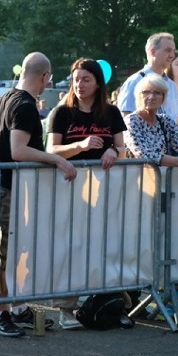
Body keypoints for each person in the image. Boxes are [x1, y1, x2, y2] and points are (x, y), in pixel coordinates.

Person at [0, 52, 76, 337]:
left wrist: (3, 162)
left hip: (12, 186)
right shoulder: (24, 105)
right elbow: (19, 150)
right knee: (5, 253)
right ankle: (0, 314)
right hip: (13, 190)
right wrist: (57, 159)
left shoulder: (8, 97)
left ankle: (18, 307)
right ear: (45, 77)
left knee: (16, 251)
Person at [46, 58, 127, 329]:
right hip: (70, 189)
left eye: (86, 80)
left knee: (106, 245)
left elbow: (122, 148)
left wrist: (112, 151)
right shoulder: (62, 112)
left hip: (106, 191)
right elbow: (51, 150)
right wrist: (79, 146)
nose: (79, 85)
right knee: (72, 246)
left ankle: (110, 303)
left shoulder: (111, 112)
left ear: (97, 83)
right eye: (76, 79)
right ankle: (66, 308)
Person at [124, 73, 178, 172]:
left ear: (163, 98)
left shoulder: (165, 120)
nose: (151, 97)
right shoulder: (131, 120)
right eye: (146, 92)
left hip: (163, 181)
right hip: (139, 181)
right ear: (138, 96)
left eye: (157, 93)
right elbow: (144, 154)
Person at [116, 33, 178, 122]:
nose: (172, 55)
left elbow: (175, 121)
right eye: (168, 50)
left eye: (173, 51)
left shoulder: (172, 86)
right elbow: (125, 118)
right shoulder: (134, 82)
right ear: (152, 52)